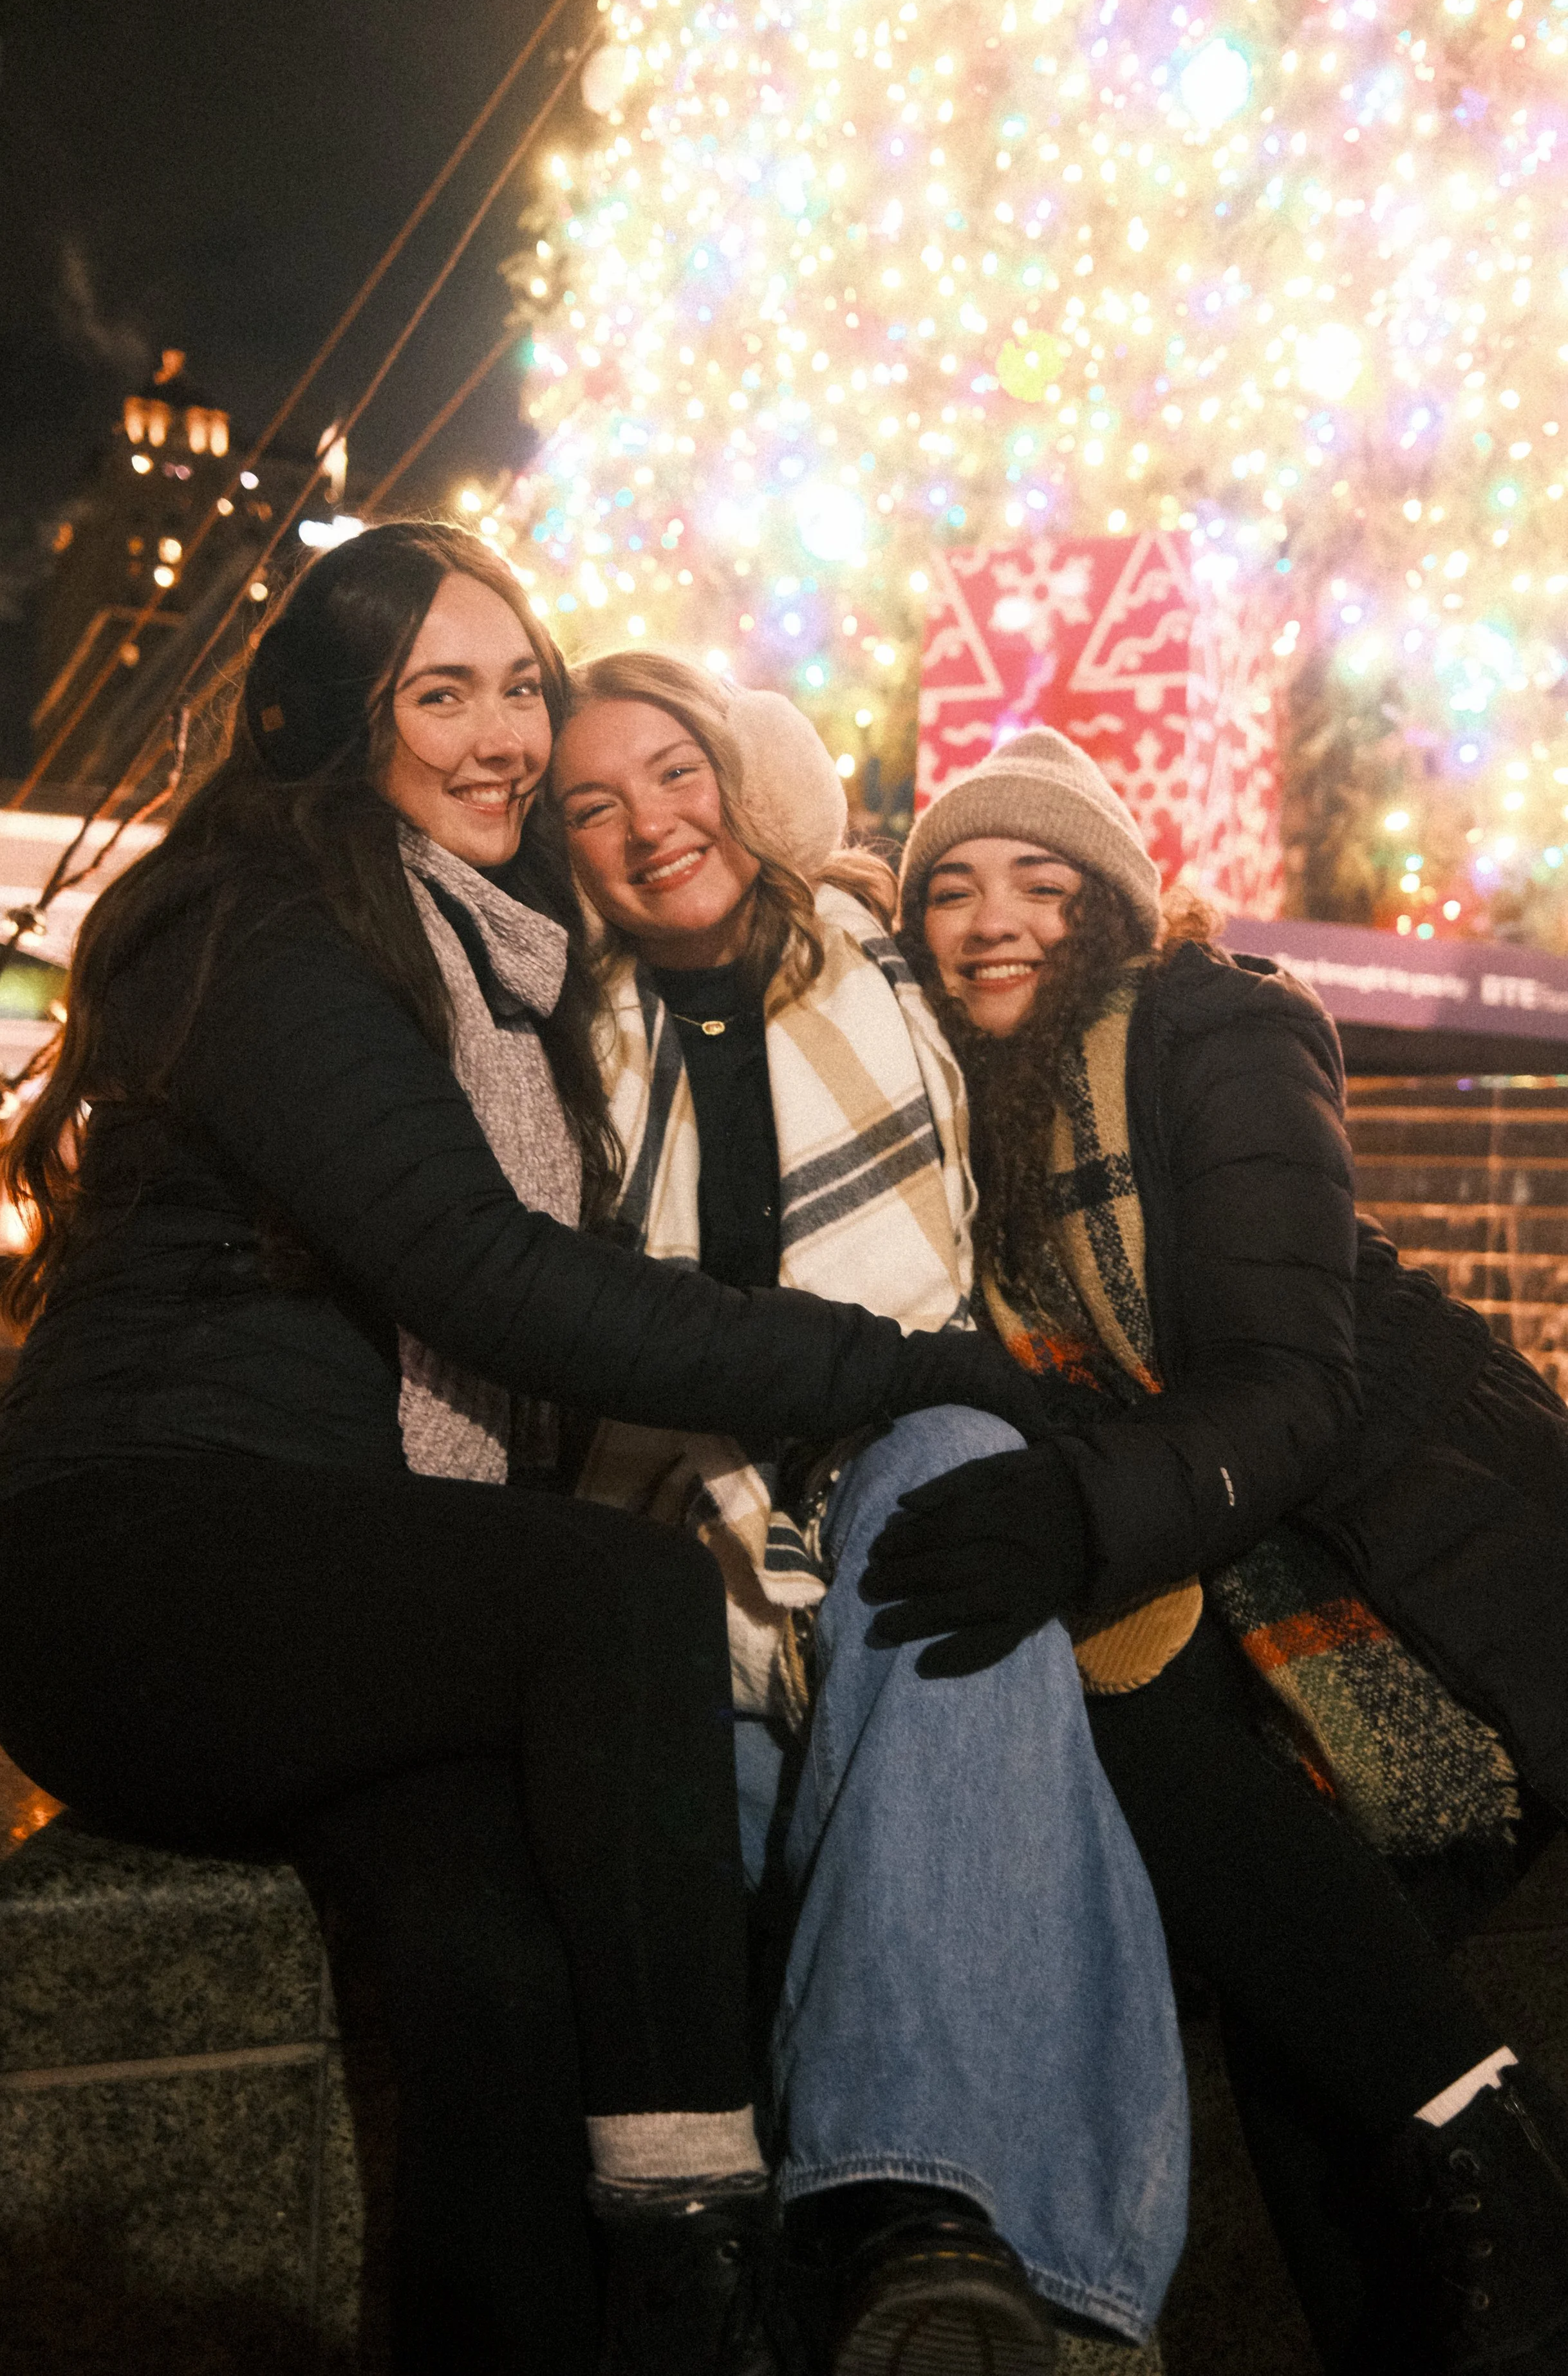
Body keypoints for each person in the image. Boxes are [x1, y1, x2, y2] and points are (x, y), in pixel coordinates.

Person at [0, 525, 1067, 2376]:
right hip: (132, 1565)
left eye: (518, 685)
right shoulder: (265, 927)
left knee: (500, 1963)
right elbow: (495, 1277)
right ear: (333, 721)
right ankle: (696, 2247)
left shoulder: (489, 962)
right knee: (617, 1595)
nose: (499, 733)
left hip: (332, 1585)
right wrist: (887, 1364)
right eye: (437, 690)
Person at [882, 727, 1568, 2376]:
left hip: (1424, 1565)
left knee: (1288, 1968)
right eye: (951, 891)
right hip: (1230, 1562)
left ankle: (1505, 2181)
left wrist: (1071, 1514)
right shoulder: (956, 1118)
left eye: (1039, 885)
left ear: (1112, 913)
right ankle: (1502, 2212)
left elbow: (1286, 1388)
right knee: (1272, 1969)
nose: (991, 920)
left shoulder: (1217, 1030)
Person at [550, 650, 1191, 2376]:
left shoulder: (879, 957)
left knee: (954, 1523)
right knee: (884, 1789)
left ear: (742, 779)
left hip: (916, 1428)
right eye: (589, 804)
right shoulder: (553, 1039)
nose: (644, 823)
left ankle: (911, 2222)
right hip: (689, 1513)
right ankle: (1013, 2276)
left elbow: (1066, 999)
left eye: (672, 772)